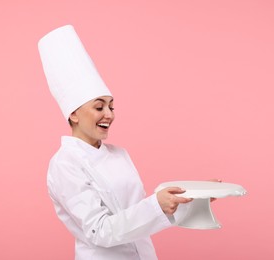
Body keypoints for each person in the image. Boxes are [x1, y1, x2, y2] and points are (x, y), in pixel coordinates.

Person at [38, 25, 206, 260]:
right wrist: (156, 205)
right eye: (99, 107)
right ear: (73, 114)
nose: (109, 114)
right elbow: (99, 230)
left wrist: (194, 199)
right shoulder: (64, 164)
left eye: (111, 106)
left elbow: (140, 216)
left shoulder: (118, 154)